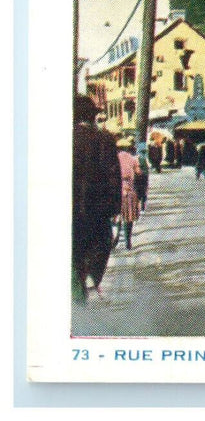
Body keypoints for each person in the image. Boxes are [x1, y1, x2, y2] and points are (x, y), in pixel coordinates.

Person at [72, 95, 122, 301]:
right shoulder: (106, 140)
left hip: (71, 214)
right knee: (99, 251)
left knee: (73, 259)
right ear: (93, 117)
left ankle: (77, 293)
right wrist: (115, 210)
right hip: (98, 215)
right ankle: (86, 285)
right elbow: (113, 178)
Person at [115, 138, 143, 250]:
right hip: (130, 191)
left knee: (118, 216)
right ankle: (128, 241)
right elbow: (139, 173)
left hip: (118, 191)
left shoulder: (115, 159)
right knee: (129, 216)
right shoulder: (133, 159)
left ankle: (116, 237)